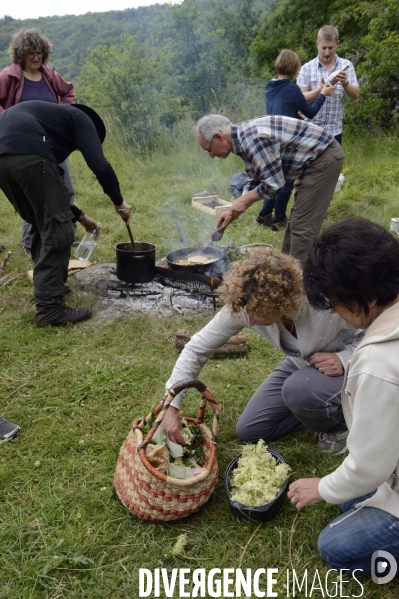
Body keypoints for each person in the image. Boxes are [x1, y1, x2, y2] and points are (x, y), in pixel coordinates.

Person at [162, 247, 363, 454]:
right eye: (248, 314)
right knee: (251, 429)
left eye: (260, 314)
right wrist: (171, 404)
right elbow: (197, 348)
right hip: (303, 364)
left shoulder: (323, 305)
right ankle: (312, 408)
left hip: (356, 364)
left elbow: (384, 333)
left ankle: (340, 426)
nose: (251, 321)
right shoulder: (248, 304)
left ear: (286, 304)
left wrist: (344, 358)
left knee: (299, 390)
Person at [288, 217, 399, 576]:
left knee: (335, 548)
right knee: (347, 499)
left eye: (335, 302)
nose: (333, 311)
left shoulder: (379, 362)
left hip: (388, 469)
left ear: (366, 293)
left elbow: (369, 466)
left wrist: (321, 486)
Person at [0, 100, 132, 327]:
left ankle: (50, 288)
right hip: (29, 157)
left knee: (42, 221)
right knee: (58, 231)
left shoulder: (49, 119)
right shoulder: (81, 119)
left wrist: (79, 215)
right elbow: (100, 165)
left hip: (4, 159)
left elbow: (50, 197)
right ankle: (50, 310)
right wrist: (119, 203)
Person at [196, 113, 344, 265]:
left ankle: (300, 281)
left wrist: (245, 200)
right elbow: (257, 178)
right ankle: (286, 271)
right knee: (296, 223)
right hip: (311, 159)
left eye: (209, 149)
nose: (211, 155)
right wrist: (234, 210)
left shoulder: (251, 139)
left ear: (219, 137)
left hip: (323, 157)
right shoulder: (241, 138)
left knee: (303, 227)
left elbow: (275, 184)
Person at [0, 29, 78, 256]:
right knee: (33, 197)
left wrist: (63, 115)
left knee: (65, 190)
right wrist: (9, 119)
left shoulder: (50, 76)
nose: (36, 57)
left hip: (52, 144)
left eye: (40, 53)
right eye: (31, 53)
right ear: (20, 55)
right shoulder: (8, 77)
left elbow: (69, 92)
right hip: (23, 147)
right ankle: (30, 243)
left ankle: (65, 234)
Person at [257, 49, 335, 231]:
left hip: (271, 138)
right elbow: (311, 113)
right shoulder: (292, 89)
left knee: (274, 179)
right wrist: (323, 94)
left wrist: (293, 114)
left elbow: (280, 108)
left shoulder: (269, 86)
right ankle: (279, 220)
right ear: (295, 69)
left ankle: (264, 214)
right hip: (288, 142)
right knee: (287, 182)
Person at [297, 25, 359, 145]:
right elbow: (301, 99)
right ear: (317, 44)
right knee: (311, 164)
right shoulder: (306, 68)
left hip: (335, 132)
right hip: (310, 130)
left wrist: (345, 84)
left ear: (337, 44)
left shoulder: (347, 65)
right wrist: (321, 90)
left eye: (330, 48)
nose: (326, 52)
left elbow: (355, 95)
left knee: (334, 163)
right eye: (323, 47)